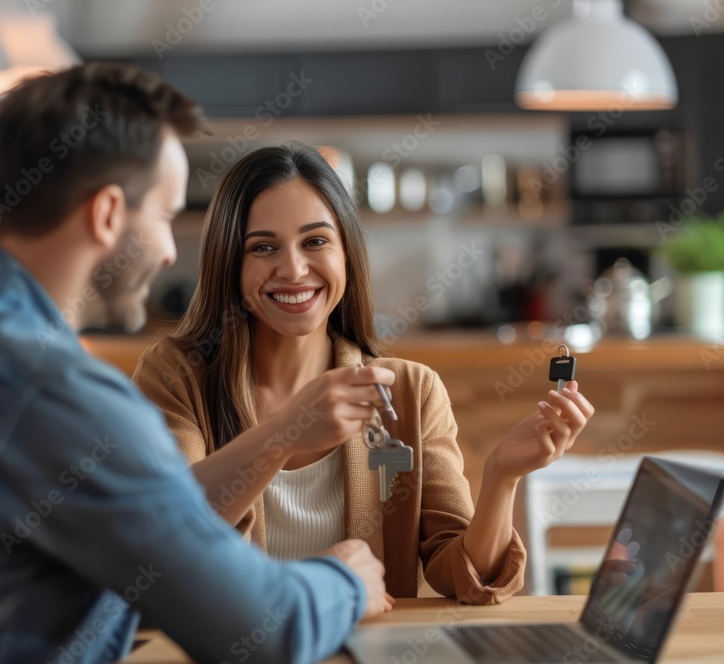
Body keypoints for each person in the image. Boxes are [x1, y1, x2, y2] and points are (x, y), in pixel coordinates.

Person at [0, 65, 388, 664]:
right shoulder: (52, 390)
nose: (170, 252)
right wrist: (345, 580)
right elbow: (264, 631)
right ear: (108, 213)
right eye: (164, 217)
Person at [134, 143, 596, 602]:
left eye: (315, 241)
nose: (293, 269)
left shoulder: (412, 391)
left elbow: (462, 577)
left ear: (347, 254)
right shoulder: (178, 375)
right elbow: (165, 531)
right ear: (228, 263)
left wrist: (501, 478)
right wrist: (286, 432)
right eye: (263, 247)